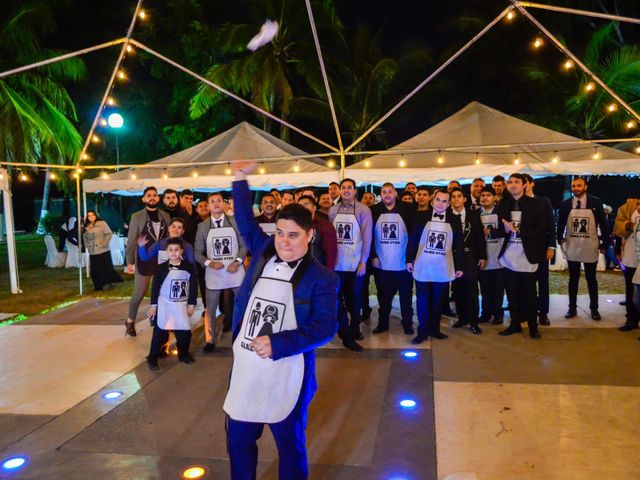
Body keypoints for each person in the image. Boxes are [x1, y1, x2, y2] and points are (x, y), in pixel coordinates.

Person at [225, 160, 338, 480]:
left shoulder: (322, 278)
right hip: (247, 368)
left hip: (289, 372)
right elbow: (245, 219)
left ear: (310, 235)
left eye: (293, 235)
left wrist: (278, 343)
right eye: (279, 233)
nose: (284, 241)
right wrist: (240, 177)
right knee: (239, 440)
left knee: (290, 447)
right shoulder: (262, 250)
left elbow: (326, 326)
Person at [407, 189, 464, 344]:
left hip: (442, 267)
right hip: (423, 265)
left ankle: (435, 330)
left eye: (444, 201)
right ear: (433, 201)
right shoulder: (420, 216)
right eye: (438, 200)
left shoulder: (454, 219)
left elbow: (459, 245)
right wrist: (409, 260)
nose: (440, 204)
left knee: (438, 301)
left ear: (449, 203)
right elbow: (412, 241)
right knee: (422, 300)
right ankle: (422, 331)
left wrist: (459, 266)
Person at [195, 192, 247, 352]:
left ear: (224, 204)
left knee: (243, 304)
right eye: (212, 201)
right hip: (214, 274)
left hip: (235, 271)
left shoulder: (235, 222)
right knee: (210, 308)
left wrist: (238, 262)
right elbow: (197, 252)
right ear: (208, 206)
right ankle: (210, 340)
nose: (216, 204)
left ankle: (244, 335)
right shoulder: (202, 226)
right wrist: (210, 263)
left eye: (219, 201)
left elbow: (244, 245)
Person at [498, 174, 546, 339]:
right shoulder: (504, 204)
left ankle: (533, 327)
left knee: (530, 295)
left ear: (524, 185)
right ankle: (514, 324)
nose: (512, 185)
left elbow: (542, 229)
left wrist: (520, 231)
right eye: (510, 182)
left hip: (527, 257)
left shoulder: (535, 204)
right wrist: (504, 230)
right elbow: (499, 228)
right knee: (512, 294)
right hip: (509, 257)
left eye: (516, 182)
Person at [329, 178, 372, 352]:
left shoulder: (363, 210)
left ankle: (355, 330)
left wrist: (363, 261)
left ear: (355, 191)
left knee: (355, 300)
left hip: (355, 264)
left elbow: (367, 238)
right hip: (338, 264)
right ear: (339, 191)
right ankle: (343, 330)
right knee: (338, 301)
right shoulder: (333, 210)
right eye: (343, 187)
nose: (346, 190)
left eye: (349, 188)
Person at [557, 177, 609, 321]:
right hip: (572, 245)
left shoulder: (596, 202)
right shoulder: (566, 204)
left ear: (585, 187)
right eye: (573, 186)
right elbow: (560, 223)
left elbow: (603, 224)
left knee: (591, 279)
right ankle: (571, 308)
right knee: (573, 279)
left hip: (590, 245)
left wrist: (605, 243)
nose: (576, 188)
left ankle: (594, 309)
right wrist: (559, 237)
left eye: (579, 185)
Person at [370, 183, 416, 334]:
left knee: (406, 297)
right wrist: (374, 256)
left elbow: (413, 236)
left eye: (390, 192)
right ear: (381, 195)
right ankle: (383, 324)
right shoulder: (373, 210)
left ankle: (407, 324)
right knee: (383, 297)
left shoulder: (408, 210)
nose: (387, 195)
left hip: (403, 263)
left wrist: (410, 258)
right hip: (382, 263)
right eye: (384, 192)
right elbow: (368, 236)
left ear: (396, 193)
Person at [125, 187, 171, 337]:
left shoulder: (165, 215)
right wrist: (130, 261)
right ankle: (130, 320)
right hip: (144, 261)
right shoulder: (137, 216)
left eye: (155, 195)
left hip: (162, 260)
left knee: (161, 293)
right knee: (139, 293)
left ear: (158, 198)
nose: (152, 198)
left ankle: (157, 320)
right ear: (143, 199)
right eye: (149, 196)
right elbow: (131, 240)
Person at [146, 237, 198, 369]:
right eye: (170, 250)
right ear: (166, 252)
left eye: (176, 250)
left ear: (181, 251)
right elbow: (155, 287)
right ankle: (152, 357)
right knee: (160, 331)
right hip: (164, 304)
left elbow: (193, 286)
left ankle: (183, 354)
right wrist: (154, 306)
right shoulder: (161, 268)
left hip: (181, 304)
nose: (173, 252)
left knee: (184, 331)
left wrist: (191, 304)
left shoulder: (188, 267)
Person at [450, 188, 487, 335]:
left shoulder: (473, 215)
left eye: (459, 196)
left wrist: (482, 256)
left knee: (472, 290)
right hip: (454, 258)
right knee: (458, 289)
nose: (456, 199)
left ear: (464, 199)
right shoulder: (448, 216)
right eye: (453, 197)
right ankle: (462, 318)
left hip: (471, 257)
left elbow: (479, 237)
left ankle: (473, 322)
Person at [523, 174, 556, 326]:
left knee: (542, 282)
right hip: (521, 250)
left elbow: (551, 225)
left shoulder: (543, 201)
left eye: (525, 183)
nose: (523, 186)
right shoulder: (516, 202)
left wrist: (551, 246)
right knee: (525, 283)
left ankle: (543, 313)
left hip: (541, 248)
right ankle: (527, 311)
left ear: (531, 184)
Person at [478, 186, 505, 324]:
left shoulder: (502, 212)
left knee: (498, 289)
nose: (485, 197)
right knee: (485, 288)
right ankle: (486, 313)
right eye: (482, 195)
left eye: (488, 195)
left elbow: (507, 231)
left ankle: (498, 313)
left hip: (499, 257)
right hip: (483, 257)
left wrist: (490, 232)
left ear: (495, 197)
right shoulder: (476, 213)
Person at [615, 196, 640, 331]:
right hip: (631, 258)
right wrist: (629, 225)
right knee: (630, 290)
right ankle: (631, 320)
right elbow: (618, 229)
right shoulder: (629, 209)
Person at [82, 211, 123, 291]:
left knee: (105, 268)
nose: (91, 217)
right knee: (95, 269)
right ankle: (98, 286)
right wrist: (87, 245)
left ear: (96, 215)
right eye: (88, 216)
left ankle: (108, 283)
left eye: (92, 215)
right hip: (93, 251)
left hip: (102, 250)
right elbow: (85, 237)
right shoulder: (87, 226)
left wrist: (104, 243)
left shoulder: (102, 223)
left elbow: (109, 233)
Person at [298, 195, 337, 269]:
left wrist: (328, 273)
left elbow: (331, 253)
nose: (302, 208)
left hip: (318, 269)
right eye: (300, 206)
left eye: (306, 205)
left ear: (314, 208)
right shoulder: (295, 225)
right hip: (299, 269)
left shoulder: (325, 225)